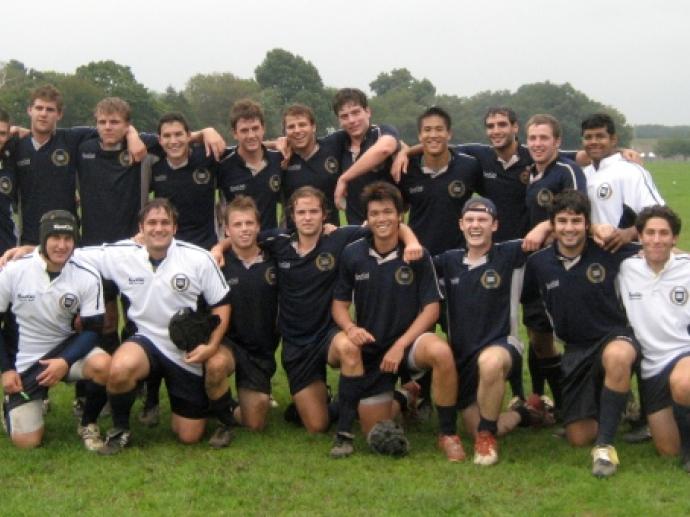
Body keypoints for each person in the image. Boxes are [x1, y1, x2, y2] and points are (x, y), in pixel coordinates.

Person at [76, 198, 230, 454]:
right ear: (141, 228)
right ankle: (120, 429)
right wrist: (30, 251)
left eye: (164, 223)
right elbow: (72, 254)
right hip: (145, 341)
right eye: (152, 223)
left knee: (189, 436)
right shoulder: (122, 254)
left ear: (174, 227)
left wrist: (212, 346)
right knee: (120, 367)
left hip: (185, 350)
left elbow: (222, 304)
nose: (158, 228)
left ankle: (214, 408)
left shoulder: (198, 258)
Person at [330, 181, 462, 460]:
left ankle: (448, 434)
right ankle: (405, 395)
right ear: (367, 218)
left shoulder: (417, 254)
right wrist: (351, 328)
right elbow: (339, 306)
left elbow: (431, 310)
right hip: (373, 349)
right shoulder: (353, 253)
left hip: (409, 343)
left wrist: (402, 345)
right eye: (375, 213)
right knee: (375, 431)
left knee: (440, 351)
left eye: (388, 212)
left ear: (399, 215)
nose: (382, 219)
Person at [522, 190, 640, 477]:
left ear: (587, 224)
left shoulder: (608, 251)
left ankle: (605, 447)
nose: (569, 228)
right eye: (562, 221)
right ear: (553, 224)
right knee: (578, 437)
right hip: (575, 350)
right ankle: (615, 403)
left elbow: (650, 247)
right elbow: (530, 309)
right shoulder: (538, 263)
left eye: (576, 221)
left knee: (618, 355)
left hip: (613, 336)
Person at [434, 197, 548, 466]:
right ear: (461, 225)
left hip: (502, 345)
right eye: (470, 220)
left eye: (483, 220)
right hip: (462, 358)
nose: (476, 225)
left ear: (495, 225)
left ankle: (487, 438)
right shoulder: (447, 261)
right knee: (473, 425)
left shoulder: (509, 254)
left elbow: (563, 225)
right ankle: (525, 412)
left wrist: (541, 227)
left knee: (490, 362)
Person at [0, 210, 110, 450]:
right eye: (55, 238)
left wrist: (64, 361)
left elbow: (93, 330)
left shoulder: (87, 274)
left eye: (68, 239)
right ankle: (15, 403)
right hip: (27, 360)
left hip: (66, 348)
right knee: (27, 443)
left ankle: (88, 422)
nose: (62, 245)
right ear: (43, 239)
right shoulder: (14, 271)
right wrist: (6, 370)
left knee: (103, 365)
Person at [7, 85, 146, 246]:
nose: (44, 114)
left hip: (67, 238)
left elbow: (111, 128)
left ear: (59, 114)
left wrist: (132, 133)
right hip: (30, 239)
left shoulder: (72, 139)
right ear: (29, 110)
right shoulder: (16, 145)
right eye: (39, 108)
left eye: (50, 110)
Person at [617, 205, 690, 472]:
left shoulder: (687, 268)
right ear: (640, 236)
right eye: (650, 233)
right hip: (651, 368)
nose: (656, 240)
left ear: (675, 239)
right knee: (667, 450)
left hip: (684, 354)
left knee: (684, 382)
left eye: (663, 233)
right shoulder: (626, 268)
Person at [522, 114, 587, 415]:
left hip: (566, 266)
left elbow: (576, 209)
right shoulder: (532, 174)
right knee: (538, 336)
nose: (537, 144)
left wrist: (544, 228)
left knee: (570, 337)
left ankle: (578, 406)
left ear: (557, 141)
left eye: (543, 138)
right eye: (532, 138)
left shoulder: (566, 170)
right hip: (537, 266)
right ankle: (559, 405)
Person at [203, 195, 279, 447]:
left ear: (259, 226)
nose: (244, 229)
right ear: (227, 229)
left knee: (255, 424)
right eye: (237, 224)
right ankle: (224, 422)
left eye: (249, 223)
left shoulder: (276, 257)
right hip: (228, 342)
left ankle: (226, 405)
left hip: (260, 351)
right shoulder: (216, 264)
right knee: (215, 365)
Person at [398, 106, 481, 256]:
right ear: (420, 135)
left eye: (439, 129)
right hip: (420, 257)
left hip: (459, 258)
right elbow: (398, 212)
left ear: (449, 134)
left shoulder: (469, 166)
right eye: (427, 130)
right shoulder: (406, 168)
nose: (433, 135)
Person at [582, 113, 665, 252]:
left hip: (627, 255)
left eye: (600, 136)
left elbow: (660, 214)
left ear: (613, 139)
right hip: (590, 257)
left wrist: (629, 233)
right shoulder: (582, 173)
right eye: (588, 137)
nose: (593, 141)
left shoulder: (631, 171)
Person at [331, 88, 400, 225]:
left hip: (387, 229)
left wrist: (344, 178)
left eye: (356, 112)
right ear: (339, 120)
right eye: (344, 116)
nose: (351, 120)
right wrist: (278, 143)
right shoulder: (338, 141)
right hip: (356, 232)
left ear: (368, 111)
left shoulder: (382, 131)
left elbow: (385, 149)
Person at [218, 100, 283, 230]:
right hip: (236, 246)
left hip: (270, 245)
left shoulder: (279, 160)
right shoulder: (222, 165)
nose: (251, 135)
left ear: (263, 128)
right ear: (234, 133)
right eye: (244, 130)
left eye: (255, 128)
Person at [280, 104, 344, 227]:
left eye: (302, 124)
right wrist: (276, 144)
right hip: (293, 238)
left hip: (330, 235)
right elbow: (251, 146)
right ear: (285, 133)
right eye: (291, 127)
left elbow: (368, 132)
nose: (297, 130)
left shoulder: (334, 145)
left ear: (313, 127)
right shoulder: (280, 158)